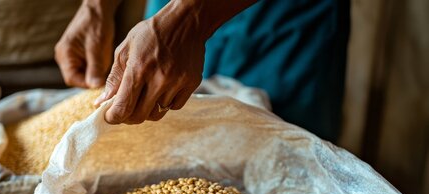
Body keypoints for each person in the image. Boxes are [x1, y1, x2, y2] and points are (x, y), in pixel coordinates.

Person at [55, 0, 350, 142]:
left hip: (280, 25)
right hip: (169, 13)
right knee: (161, 145)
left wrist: (191, 15)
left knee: (281, 152)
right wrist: (97, 5)